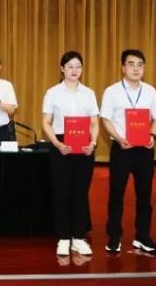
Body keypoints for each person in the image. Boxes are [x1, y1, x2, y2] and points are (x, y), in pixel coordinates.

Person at [99, 49, 156, 255]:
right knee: (116, 194)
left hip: (144, 150)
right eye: (131, 64)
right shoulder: (112, 91)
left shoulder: (150, 91)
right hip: (122, 149)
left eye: (140, 65)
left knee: (144, 195)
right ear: (123, 67)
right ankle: (114, 237)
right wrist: (118, 138)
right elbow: (105, 119)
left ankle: (142, 236)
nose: (136, 68)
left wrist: (153, 135)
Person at [41, 50, 100, 257]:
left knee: (80, 193)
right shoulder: (52, 93)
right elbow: (46, 122)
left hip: (84, 147)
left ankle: (79, 237)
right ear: (62, 69)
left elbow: (94, 122)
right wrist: (57, 143)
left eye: (78, 67)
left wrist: (93, 143)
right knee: (62, 192)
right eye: (70, 67)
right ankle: (64, 238)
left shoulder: (89, 93)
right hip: (61, 146)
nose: (74, 70)